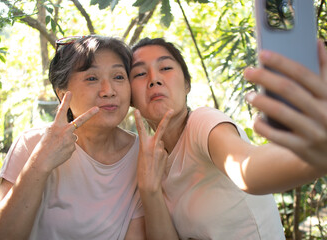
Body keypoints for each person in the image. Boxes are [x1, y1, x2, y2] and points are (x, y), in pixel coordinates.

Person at [129, 37, 327, 240]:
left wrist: (313, 154)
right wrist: (149, 190)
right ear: (131, 98)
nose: (154, 78)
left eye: (166, 68)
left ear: (187, 84)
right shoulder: (149, 159)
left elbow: (248, 168)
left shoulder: (201, 122)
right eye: (140, 73)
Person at [0, 35, 146, 240]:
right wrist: (39, 164)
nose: (108, 91)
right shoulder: (33, 143)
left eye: (119, 77)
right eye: (92, 78)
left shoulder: (143, 155)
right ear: (62, 92)